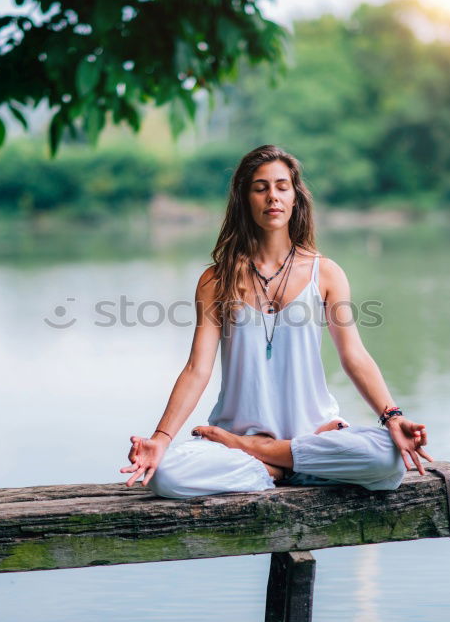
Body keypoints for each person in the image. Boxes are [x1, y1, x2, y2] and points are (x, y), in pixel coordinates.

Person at [120, 145, 432, 499]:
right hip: (244, 435)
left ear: (295, 197)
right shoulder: (215, 280)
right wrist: (160, 439)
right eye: (260, 187)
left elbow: (354, 356)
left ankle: (265, 457)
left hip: (313, 434)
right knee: (167, 477)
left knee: (390, 461)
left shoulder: (325, 273)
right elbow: (197, 369)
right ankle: (288, 466)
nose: (273, 196)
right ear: (245, 199)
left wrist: (392, 417)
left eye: (282, 186)